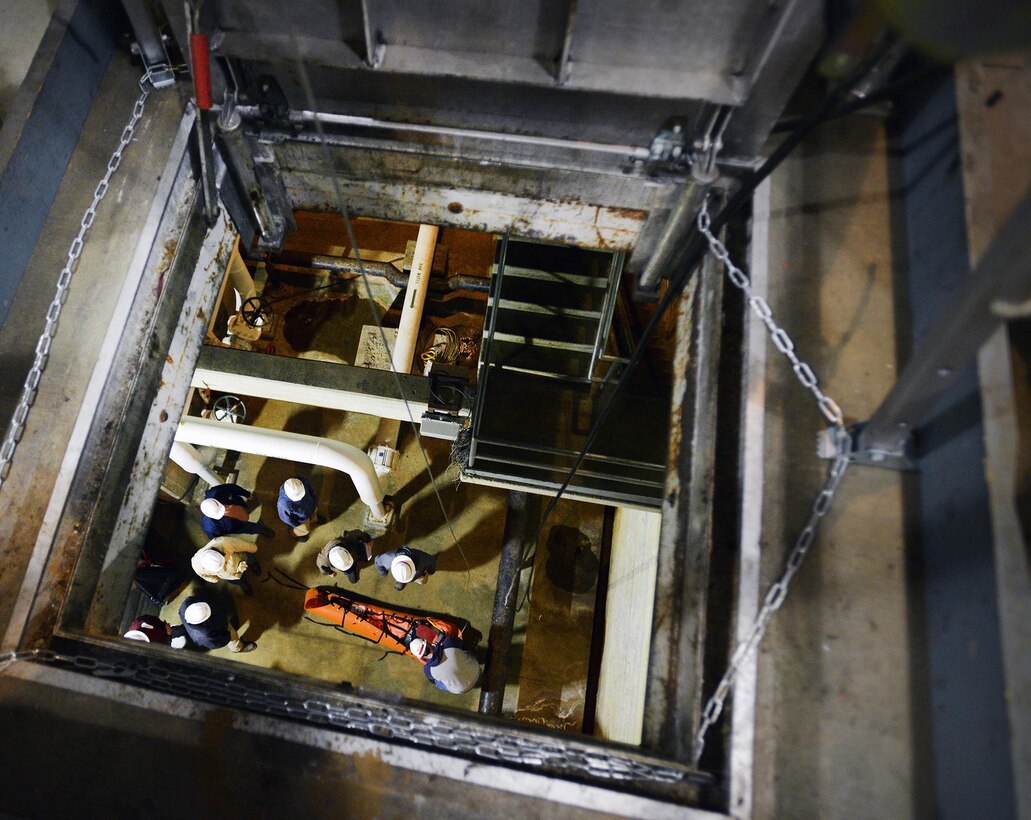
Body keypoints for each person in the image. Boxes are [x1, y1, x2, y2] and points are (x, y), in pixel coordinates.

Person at [177, 593, 255, 653]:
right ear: (203, 620)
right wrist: (228, 635)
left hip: (220, 623)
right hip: (224, 631)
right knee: (233, 639)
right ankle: (238, 648)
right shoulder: (205, 637)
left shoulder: (186, 605)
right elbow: (218, 643)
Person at [200, 482, 274, 539]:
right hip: (236, 526)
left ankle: (258, 527)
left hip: (238, 505)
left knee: (245, 513)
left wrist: (245, 493)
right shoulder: (210, 527)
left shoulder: (216, 491)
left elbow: (231, 487)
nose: (225, 512)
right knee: (250, 528)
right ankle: (261, 529)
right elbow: (217, 539)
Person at [191, 536, 262, 595]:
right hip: (229, 576)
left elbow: (244, 545)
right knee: (238, 580)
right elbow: (205, 576)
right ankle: (243, 583)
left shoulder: (224, 542)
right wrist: (214, 579)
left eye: (223, 563)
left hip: (241, 559)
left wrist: (253, 548)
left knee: (250, 558)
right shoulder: (196, 564)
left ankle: (253, 564)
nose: (224, 567)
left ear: (219, 554)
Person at [410, 636, 481, 694]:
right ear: (428, 643)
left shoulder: (428, 670)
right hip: (477, 670)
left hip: (462, 690)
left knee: (437, 682)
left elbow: (432, 680)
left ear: (421, 657)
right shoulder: (449, 643)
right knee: (461, 650)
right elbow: (461, 643)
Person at [277, 476, 319, 542]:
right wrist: (297, 525)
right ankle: (295, 533)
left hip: (311, 507)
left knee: (314, 517)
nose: (300, 498)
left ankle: (314, 520)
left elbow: (310, 491)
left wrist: (314, 501)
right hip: (301, 519)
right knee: (305, 530)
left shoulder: (302, 480)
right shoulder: (283, 503)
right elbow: (285, 518)